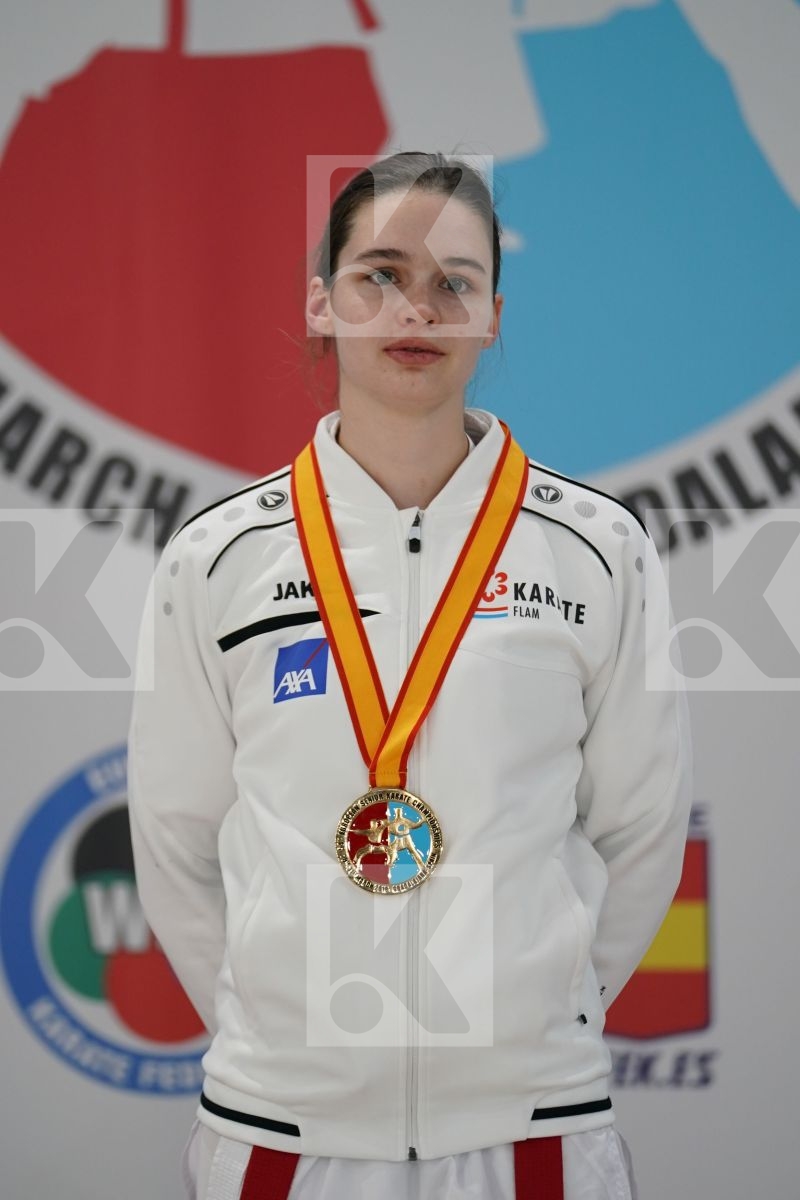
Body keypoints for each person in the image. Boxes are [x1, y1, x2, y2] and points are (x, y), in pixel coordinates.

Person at [127, 151, 692, 1200]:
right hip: (281, 1132)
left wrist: (540, 1023)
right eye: (379, 275)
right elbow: (174, 838)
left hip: (533, 1130)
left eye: (452, 283)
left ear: (491, 317)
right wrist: (280, 1037)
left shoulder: (595, 550)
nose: (416, 309)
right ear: (322, 302)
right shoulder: (218, 557)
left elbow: (641, 829)